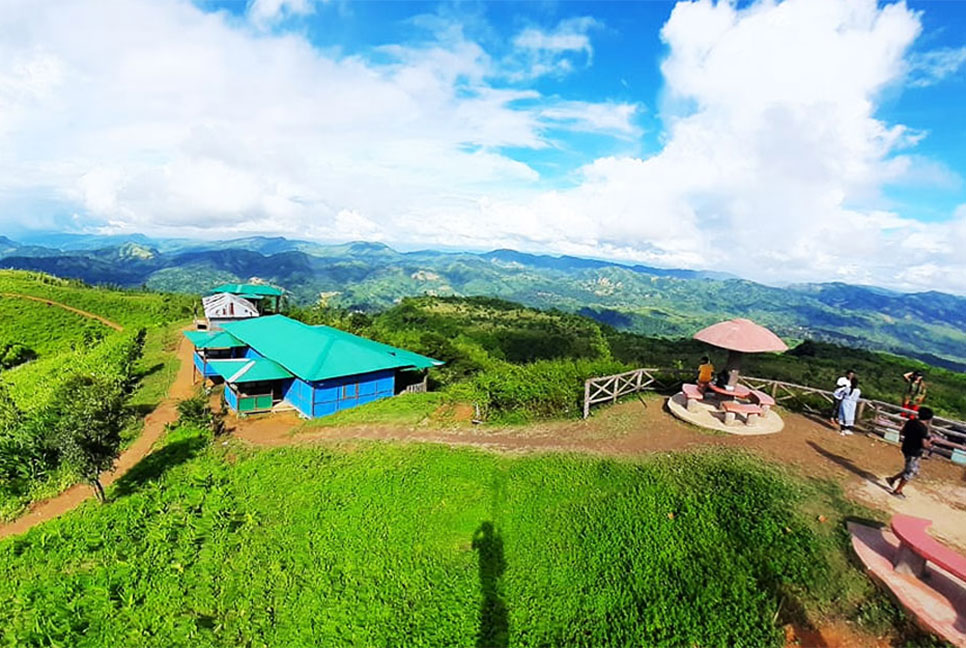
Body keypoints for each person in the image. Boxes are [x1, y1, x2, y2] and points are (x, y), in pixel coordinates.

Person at [886, 406, 934, 499]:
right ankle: (898, 490)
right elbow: (924, 444)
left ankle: (892, 479)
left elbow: (902, 432)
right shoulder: (923, 429)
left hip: (906, 447)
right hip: (914, 452)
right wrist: (930, 444)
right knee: (910, 471)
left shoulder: (911, 422)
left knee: (912, 469)